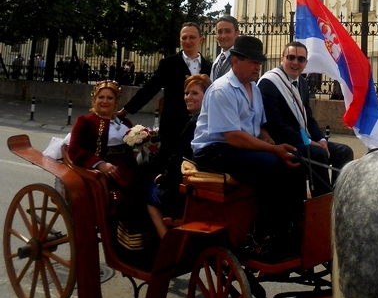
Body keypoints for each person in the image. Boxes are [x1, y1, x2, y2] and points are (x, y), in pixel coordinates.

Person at [192, 36, 305, 258]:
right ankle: (263, 232)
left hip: (237, 146)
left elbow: (259, 127)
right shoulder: (222, 89)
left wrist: (270, 141)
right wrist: (272, 150)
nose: (257, 67)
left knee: (295, 159)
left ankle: (294, 224)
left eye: (259, 62)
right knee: (271, 164)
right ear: (236, 61)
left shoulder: (253, 87)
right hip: (214, 150)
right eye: (253, 62)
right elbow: (233, 136)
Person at [68, 80, 166, 242]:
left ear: (116, 102)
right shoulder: (85, 121)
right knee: (126, 192)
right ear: (94, 100)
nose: (105, 101)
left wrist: (145, 147)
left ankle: (154, 234)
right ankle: (126, 239)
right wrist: (100, 164)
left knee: (153, 184)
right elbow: (75, 150)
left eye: (110, 98)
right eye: (101, 97)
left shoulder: (125, 122)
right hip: (103, 168)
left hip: (128, 165)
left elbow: (132, 149)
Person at [258, 41, 354, 196]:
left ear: (306, 63)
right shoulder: (269, 83)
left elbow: (308, 117)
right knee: (318, 153)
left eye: (301, 59)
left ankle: (338, 197)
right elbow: (276, 124)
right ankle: (322, 203)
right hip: (283, 140)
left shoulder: (302, 83)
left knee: (344, 151)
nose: (296, 62)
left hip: (303, 139)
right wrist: (309, 141)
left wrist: (322, 140)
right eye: (291, 57)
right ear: (281, 59)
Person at [119, 22, 211, 165]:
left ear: (201, 40)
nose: (187, 41)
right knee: (167, 167)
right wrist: (125, 111)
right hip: (172, 128)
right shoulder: (169, 64)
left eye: (192, 37)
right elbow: (150, 89)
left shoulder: (209, 67)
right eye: (184, 37)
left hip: (200, 127)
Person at [152, 73, 212, 220]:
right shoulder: (208, 118)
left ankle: (165, 240)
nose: (188, 97)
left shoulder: (197, 122)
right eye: (186, 93)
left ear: (207, 96)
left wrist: (164, 177)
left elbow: (181, 157)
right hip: (195, 181)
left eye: (195, 93)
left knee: (148, 195)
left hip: (188, 187)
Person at [210, 15, 240, 80]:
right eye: (220, 32)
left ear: (237, 33)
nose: (223, 36)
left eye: (227, 31)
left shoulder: (240, 60)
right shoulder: (217, 60)